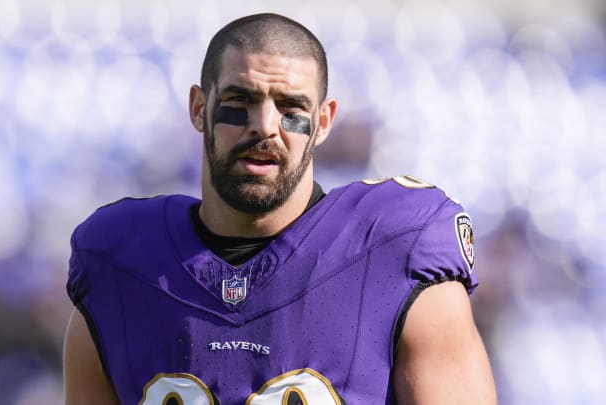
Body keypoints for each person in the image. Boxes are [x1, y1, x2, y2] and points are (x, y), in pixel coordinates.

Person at [62, 12, 497, 405]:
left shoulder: (393, 249)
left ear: (323, 122)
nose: (264, 126)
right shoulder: (118, 264)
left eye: (291, 107)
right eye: (240, 101)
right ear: (199, 107)